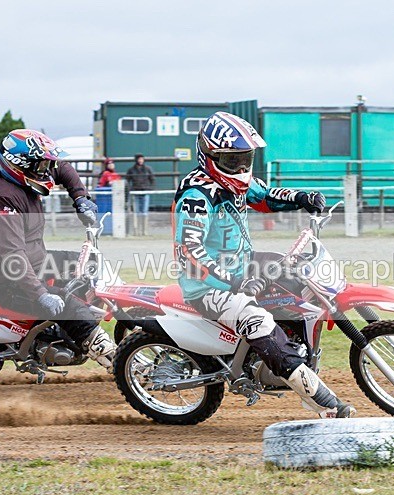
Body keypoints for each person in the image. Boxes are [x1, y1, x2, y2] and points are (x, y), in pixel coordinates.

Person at [173, 112, 354, 419]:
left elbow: (265, 196)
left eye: (247, 159)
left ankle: (296, 345)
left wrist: (302, 197)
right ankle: (323, 404)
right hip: (208, 287)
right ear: (210, 156)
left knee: (294, 273)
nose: (241, 168)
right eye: (233, 161)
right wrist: (233, 281)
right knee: (258, 320)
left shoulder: (235, 183)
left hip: (241, 265)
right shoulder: (197, 195)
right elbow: (189, 252)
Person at [0, 129, 116, 370]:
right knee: (69, 305)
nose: (47, 171)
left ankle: (65, 330)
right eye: (41, 166)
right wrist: (41, 295)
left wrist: (80, 197)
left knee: (90, 266)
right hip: (11, 279)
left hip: (37, 261)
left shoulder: (25, 177)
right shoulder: (3, 198)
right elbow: (14, 255)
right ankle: (111, 357)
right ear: (20, 166)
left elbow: (62, 168)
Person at [125, 153, 155, 235]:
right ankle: (136, 230)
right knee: (136, 211)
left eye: (142, 159)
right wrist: (130, 189)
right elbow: (127, 181)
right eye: (139, 159)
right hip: (136, 192)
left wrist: (150, 188)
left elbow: (152, 179)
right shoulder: (131, 170)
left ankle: (144, 231)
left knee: (145, 211)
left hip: (145, 191)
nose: (141, 160)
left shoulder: (147, 169)